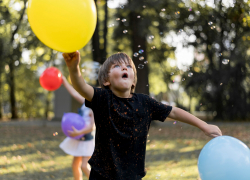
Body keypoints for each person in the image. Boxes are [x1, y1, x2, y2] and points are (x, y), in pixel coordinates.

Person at [62, 51, 222, 180]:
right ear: (106, 81)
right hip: (102, 175)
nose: (124, 68)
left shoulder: (145, 102)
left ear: (133, 81)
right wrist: (73, 68)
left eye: (128, 67)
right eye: (117, 66)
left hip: (132, 176)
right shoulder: (103, 98)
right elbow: (81, 86)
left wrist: (204, 125)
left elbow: (173, 111)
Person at [59, 76, 95, 180]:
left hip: (87, 140)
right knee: (75, 165)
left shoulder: (94, 108)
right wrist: (65, 81)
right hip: (79, 137)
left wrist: (78, 132)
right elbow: (74, 93)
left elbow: (91, 127)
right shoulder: (85, 103)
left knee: (84, 166)